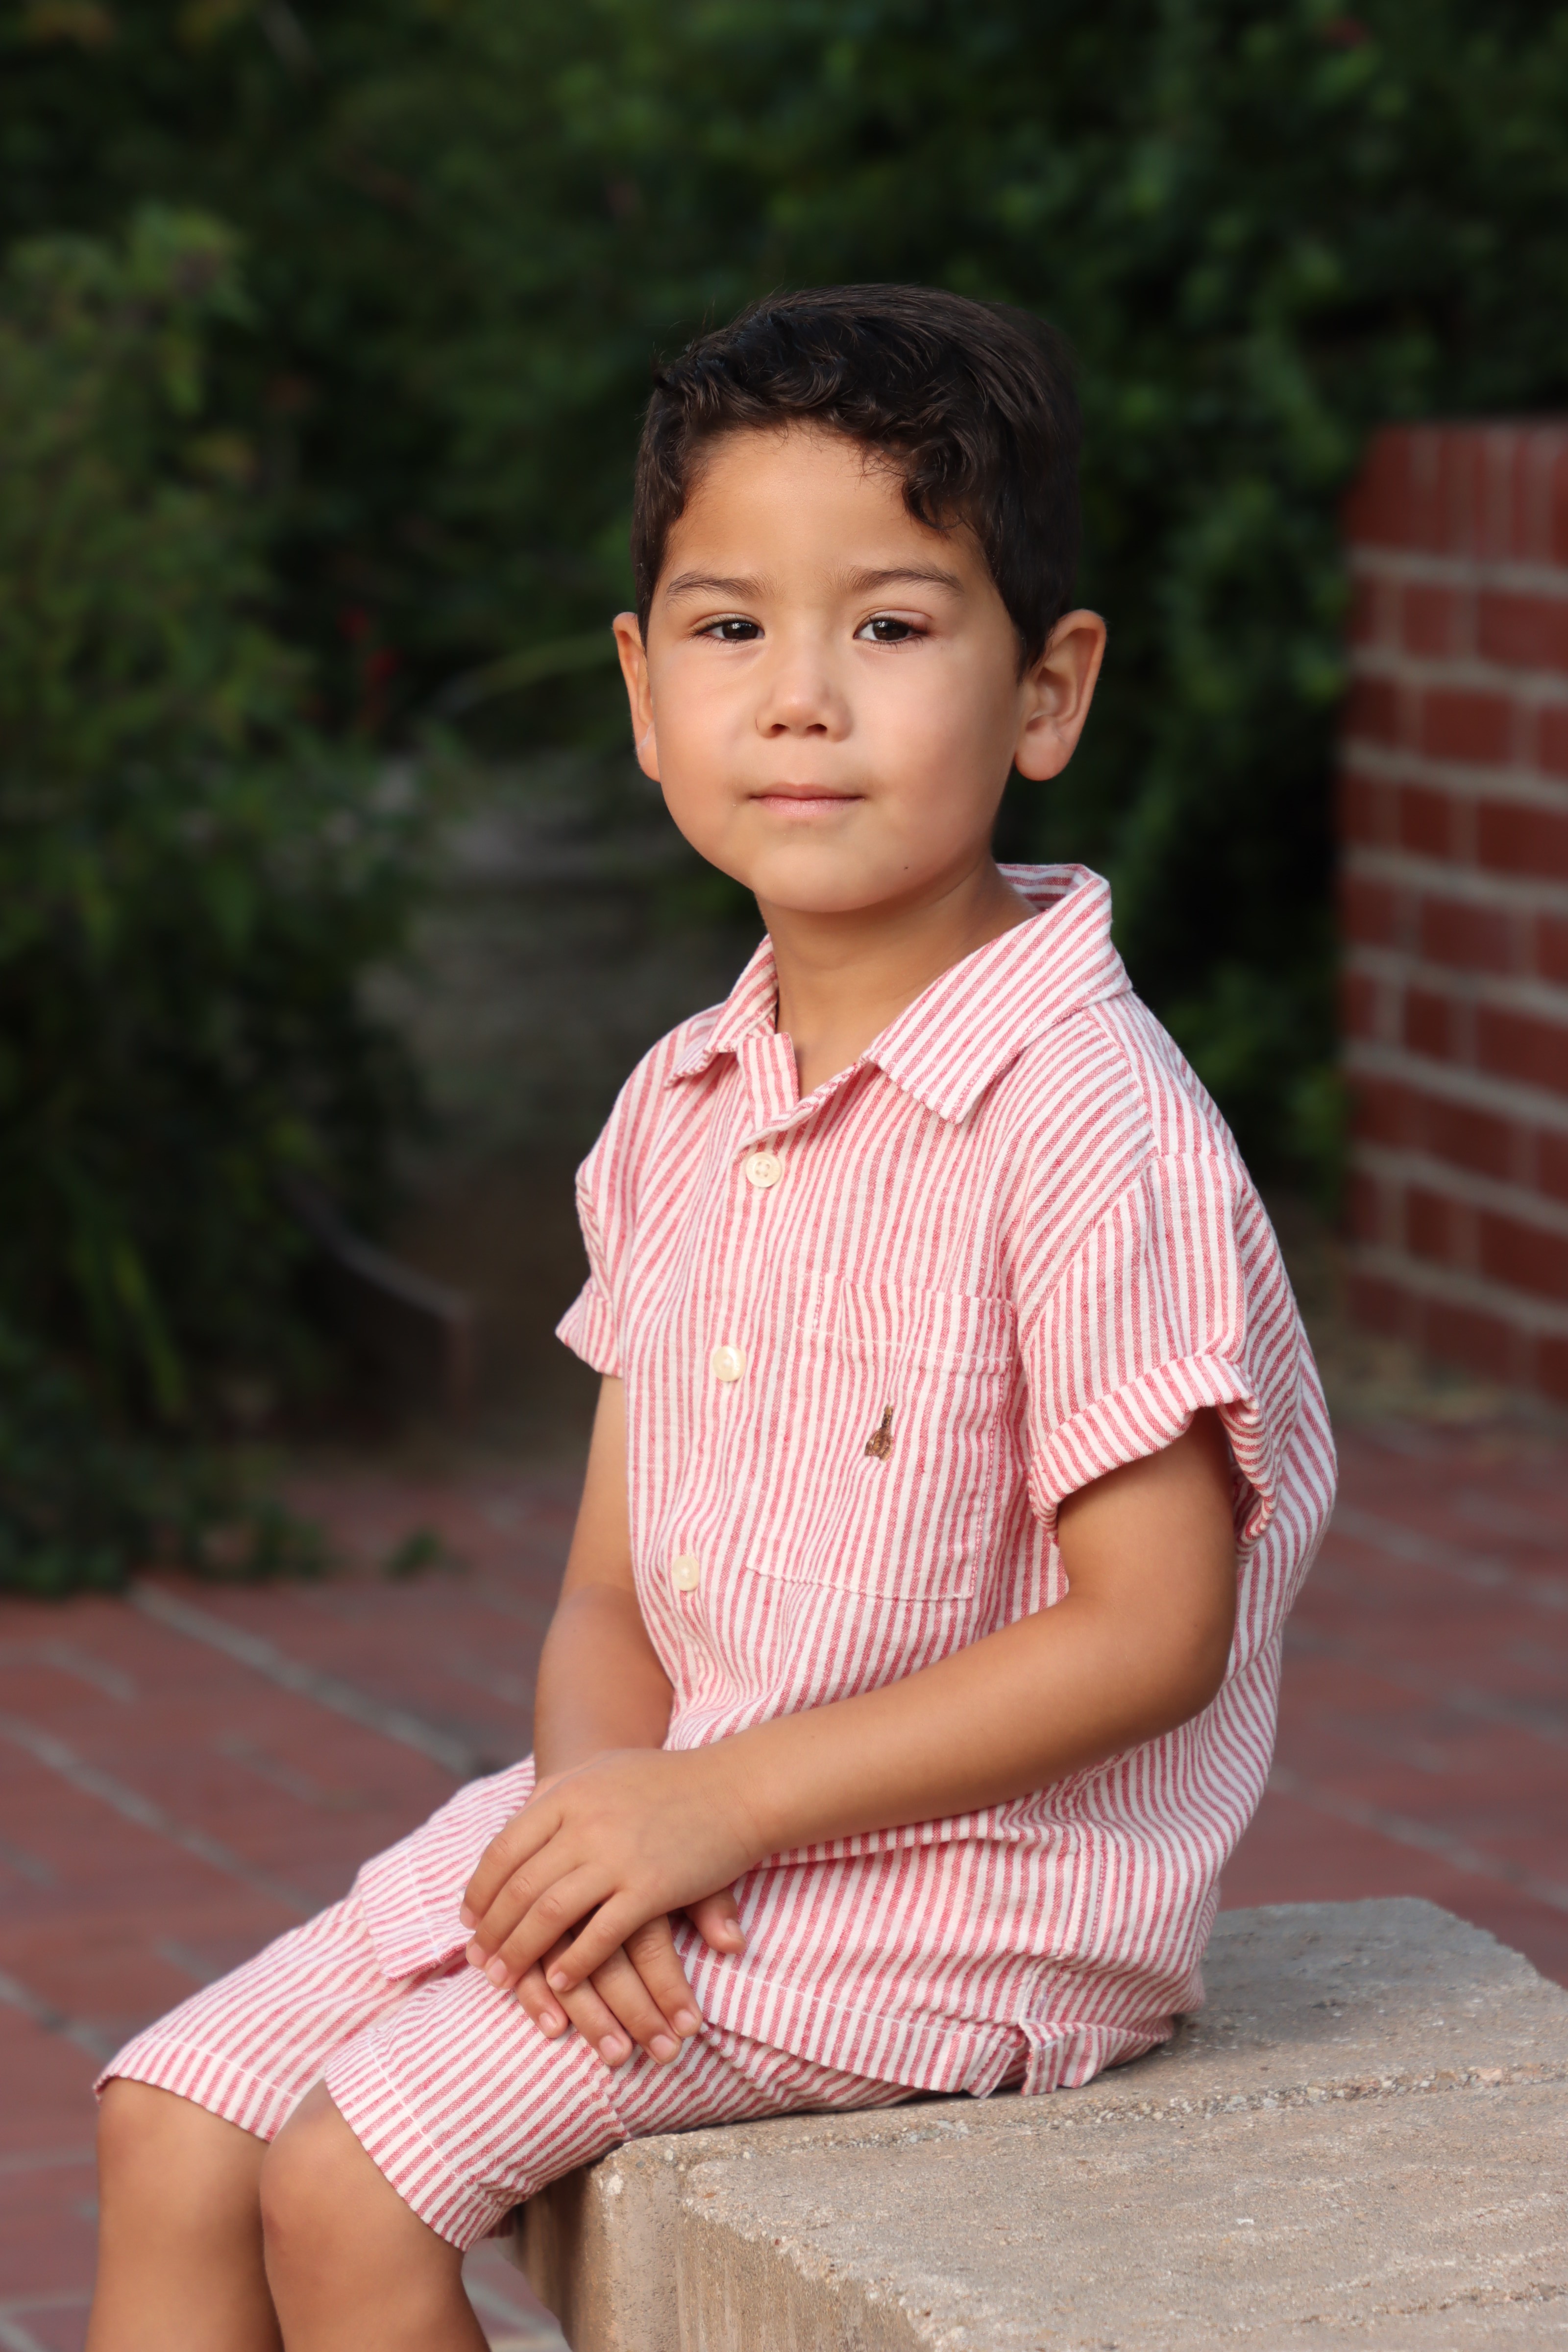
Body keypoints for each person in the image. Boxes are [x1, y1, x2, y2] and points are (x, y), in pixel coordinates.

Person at [87, 284, 1335, 2352]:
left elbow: (1152, 1630)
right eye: (731, 626)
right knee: (173, 2123)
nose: (800, 699)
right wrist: (609, 1817)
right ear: (643, 692)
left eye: (893, 626)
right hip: (688, 1816)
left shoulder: (1086, 1119)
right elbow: (610, 1592)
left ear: (1047, 692)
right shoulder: (683, 1105)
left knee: (347, 2177)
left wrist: (710, 1814)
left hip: (955, 1896)